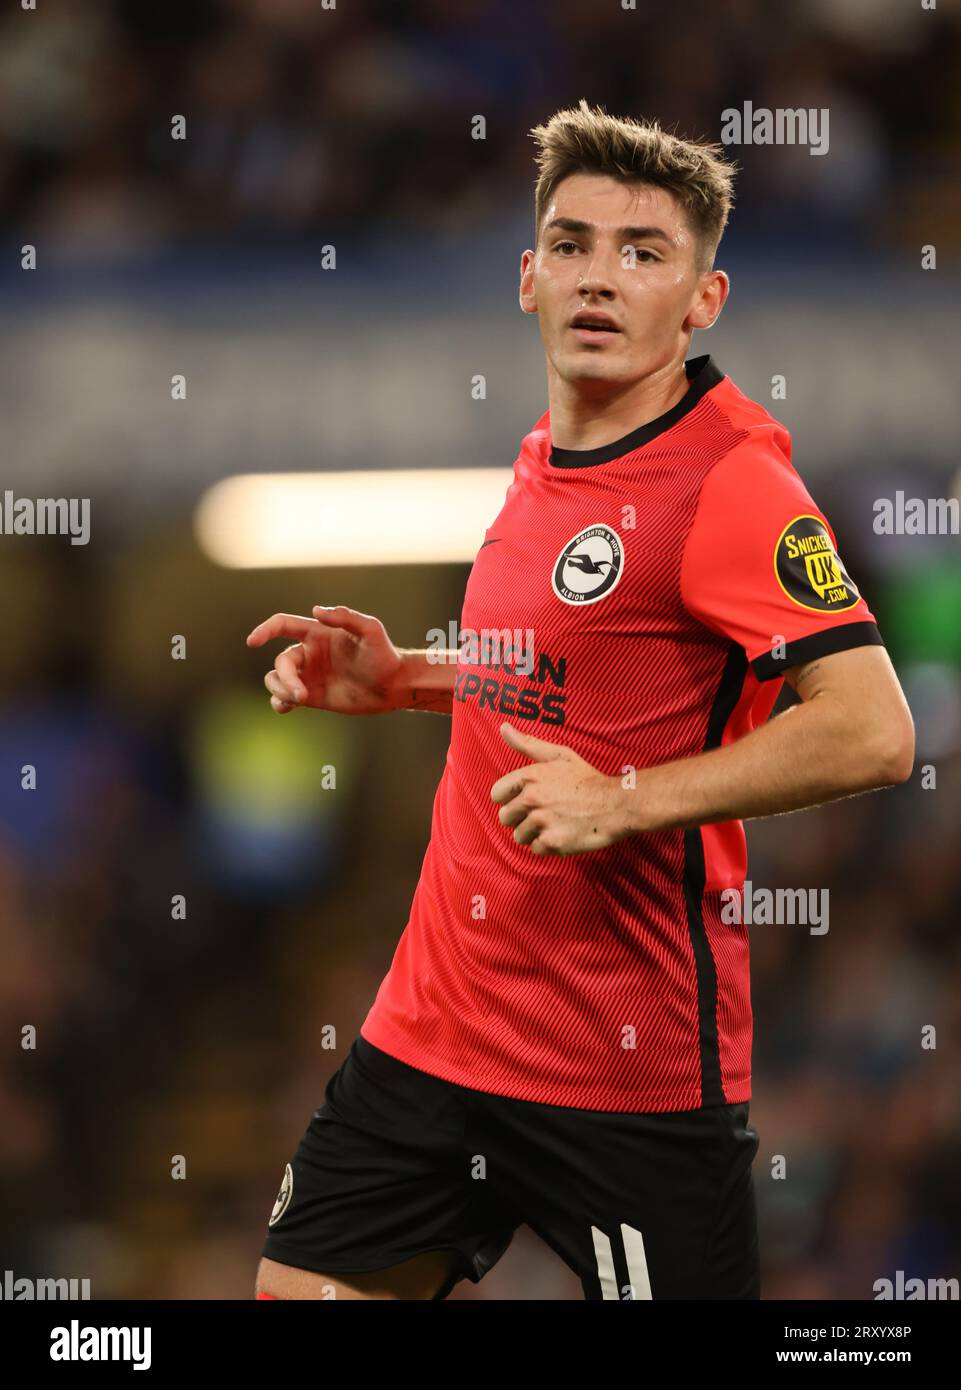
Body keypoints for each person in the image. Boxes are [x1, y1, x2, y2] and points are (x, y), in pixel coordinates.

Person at [247, 101, 914, 1300]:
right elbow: (575, 675)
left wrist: (629, 799)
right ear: (526, 277)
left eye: (642, 254)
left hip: (625, 1075)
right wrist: (406, 678)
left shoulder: (735, 483)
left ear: (702, 300)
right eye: (571, 244)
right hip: (432, 1037)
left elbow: (872, 730)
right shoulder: (538, 458)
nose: (599, 278)